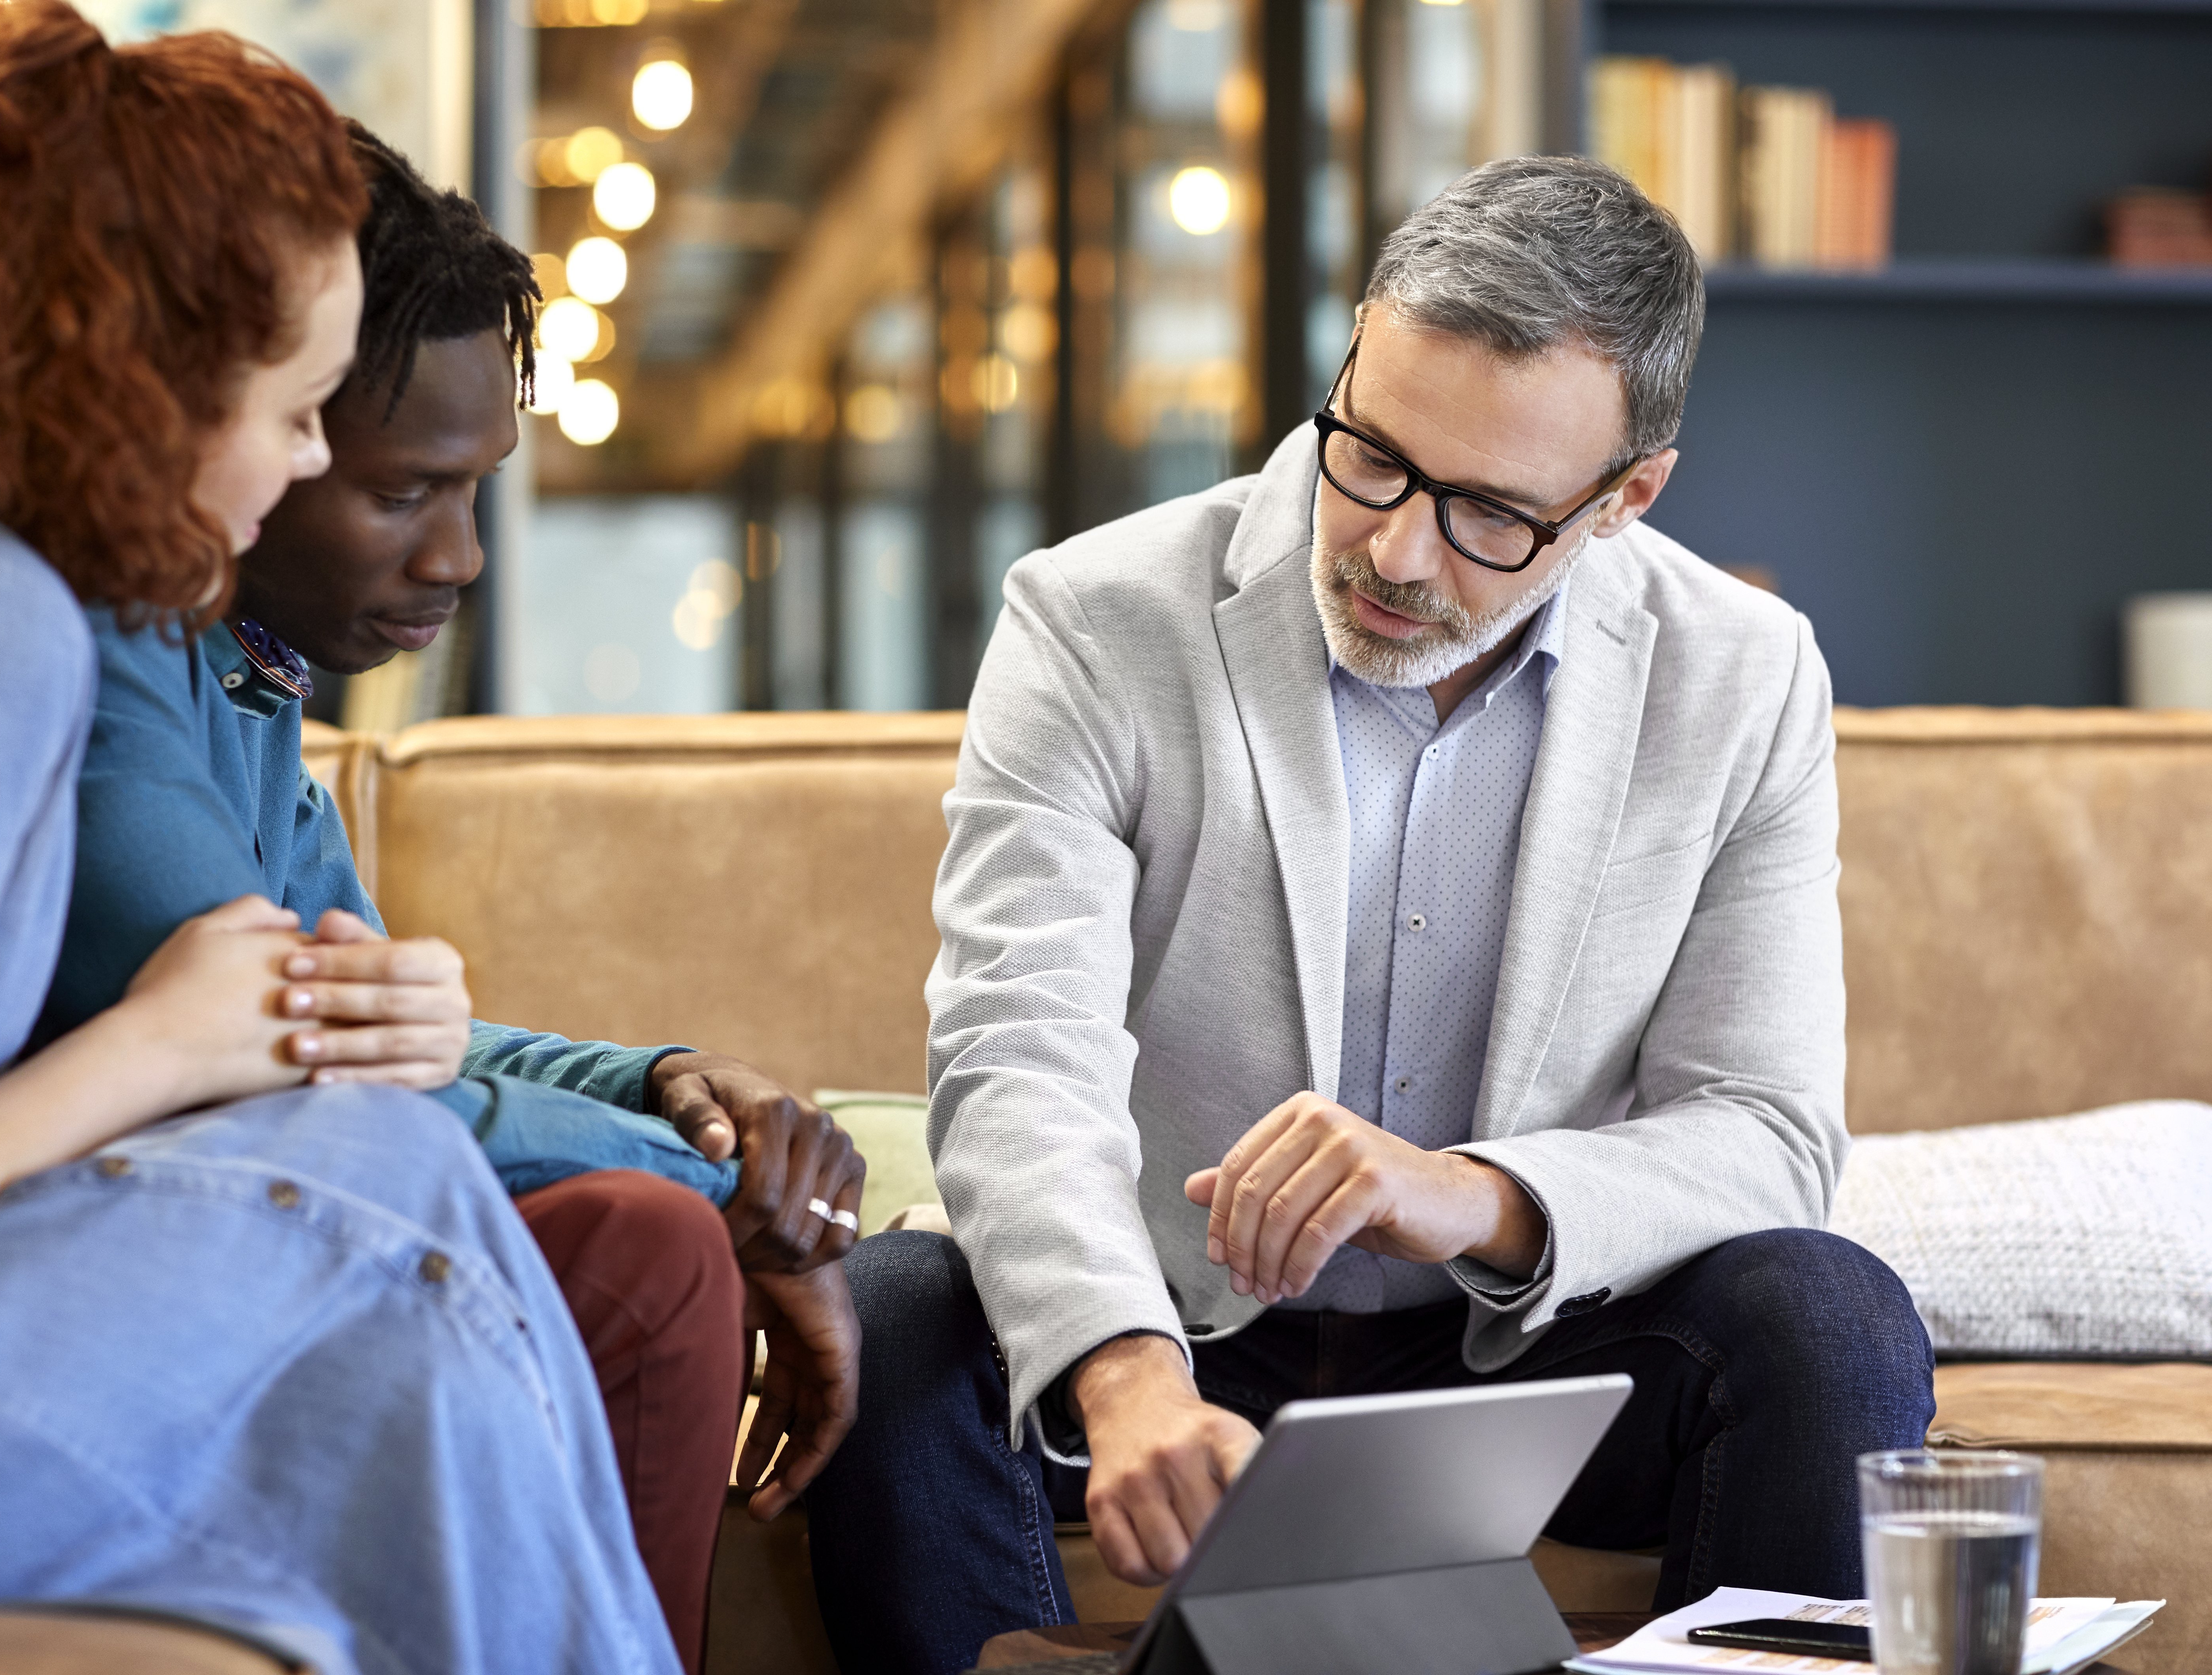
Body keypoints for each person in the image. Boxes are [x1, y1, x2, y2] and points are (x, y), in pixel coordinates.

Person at [803, 156, 1936, 1675]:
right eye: (1375, 457)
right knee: (895, 1312)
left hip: (1532, 1359)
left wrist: (1462, 1193)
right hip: (1187, 1332)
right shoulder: (1092, 620)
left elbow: (1768, 1127)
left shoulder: (1745, 673)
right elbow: (1018, 1056)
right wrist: (1125, 1374)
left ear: (1624, 499)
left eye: (1489, 516)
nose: (1397, 552)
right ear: (1348, 366)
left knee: (1830, 1310)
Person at [0, 8, 683, 1673]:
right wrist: (169, 1037)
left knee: (392, 1215)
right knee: (396, 1190)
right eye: (298, 408)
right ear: (141, 378)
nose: (308, 456)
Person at [33, 124, 860, 1671]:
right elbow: (303, 1091)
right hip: (67, 1287)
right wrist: (731, 1198)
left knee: (643, 1220)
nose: (464, 555)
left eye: (480, 487)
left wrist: (668, 1093)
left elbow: (398, 1051)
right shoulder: (96, 665)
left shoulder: (245, 674)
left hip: (207, 1239)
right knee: (646, 1245)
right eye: (402, 485)